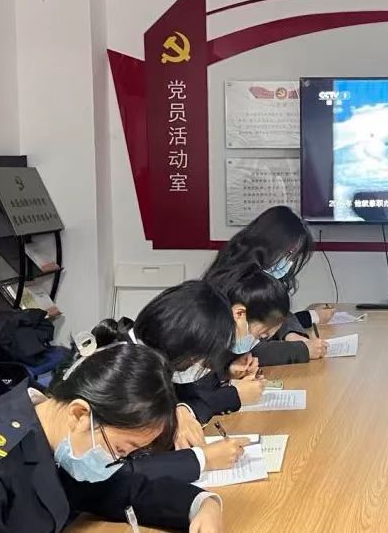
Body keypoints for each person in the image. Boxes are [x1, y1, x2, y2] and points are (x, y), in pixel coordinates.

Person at [0, 331, 223, 531]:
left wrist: (202, 504)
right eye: (119, 449)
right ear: (80, 414)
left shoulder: (61, 433)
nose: (115, 462)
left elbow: (127, 489)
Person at [93, 282, 253, 482]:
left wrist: (181, 409)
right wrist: (202, 460)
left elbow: (189, 397)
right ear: (183, 343)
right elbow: (109, 473)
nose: (199, 365)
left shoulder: (148, 360)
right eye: (199, 358)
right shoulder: (122, 373)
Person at [205, 206, 334, 365]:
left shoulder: (262, 275)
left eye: (294, 257)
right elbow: (241, 349)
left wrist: (292, 334)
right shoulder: (234, 281)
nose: (290, 263)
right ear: (270, 244)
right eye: (288, 254)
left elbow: (275, 314)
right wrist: (301, 350)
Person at [181, 267, 292, 424]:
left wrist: (227, 373)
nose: (255, 342)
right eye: (260, 335)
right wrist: (235, 395)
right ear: (239, 314)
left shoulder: (218, 343)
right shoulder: (194, 338)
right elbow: (184, 402)